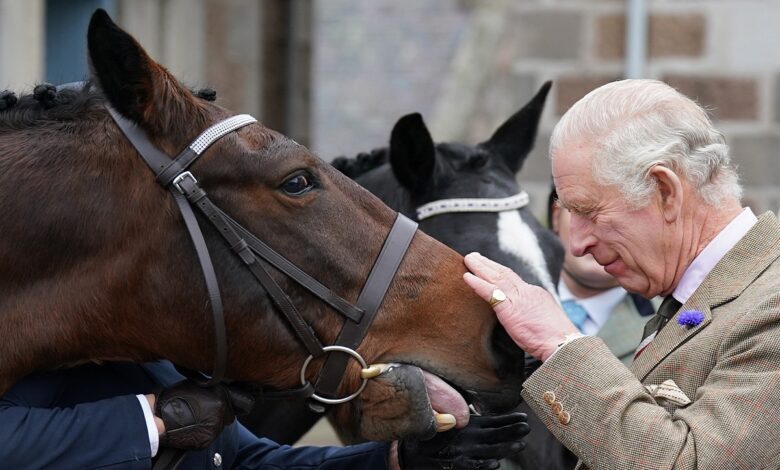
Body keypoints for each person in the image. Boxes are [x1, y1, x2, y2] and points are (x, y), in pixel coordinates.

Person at [463, 79, 780, 469]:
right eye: (566, 214)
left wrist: (558, 342)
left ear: (665, 190)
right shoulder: (705, 298)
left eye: (589, 211)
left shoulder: (769, 303)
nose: (575, 245)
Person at [0, 360, 529, 469]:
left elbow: (254, 462)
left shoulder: (152, 360)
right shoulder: (31, 349)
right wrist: (158, 421)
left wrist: (396, 458)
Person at [548, 188, 658, 365]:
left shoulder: (673, 324)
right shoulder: (506, 304)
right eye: (582, 211)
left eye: (624, 215)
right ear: (556, 216)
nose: (597, 232)